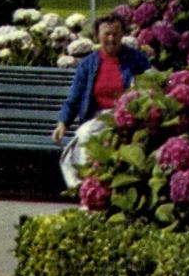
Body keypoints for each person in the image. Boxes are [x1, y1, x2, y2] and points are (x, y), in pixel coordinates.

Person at [52, 14, 152, 189]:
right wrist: (63, 123)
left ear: (123, 34)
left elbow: (151, 86)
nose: (111, 39)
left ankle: (91, 188)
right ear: (97, 35)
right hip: (97, 117)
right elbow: (74, 98)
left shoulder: (137, 60)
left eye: (116, 34)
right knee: (85, 136)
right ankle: (86, 188)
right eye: (107, 34)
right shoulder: (87, 64)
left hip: (127, 118)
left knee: (89, 135)